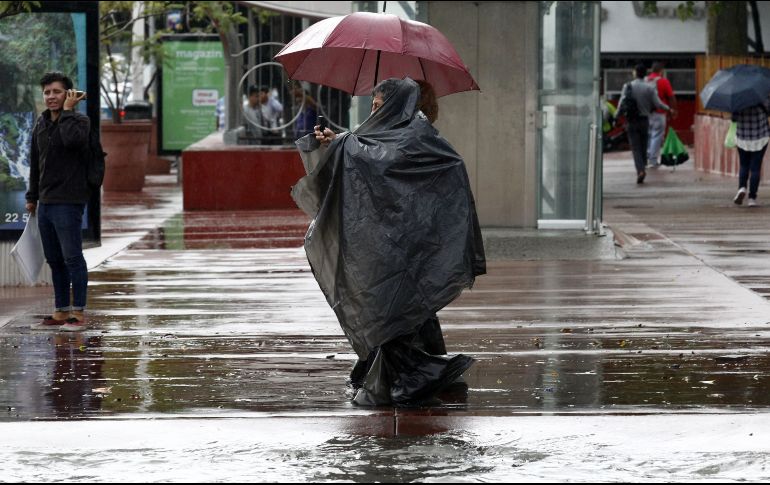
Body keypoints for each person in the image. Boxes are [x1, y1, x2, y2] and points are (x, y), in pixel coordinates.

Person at [292, 77, 485, 407]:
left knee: (391, 307)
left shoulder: (415, 133)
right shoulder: (389, 134)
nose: (374, 111)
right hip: (388, 241)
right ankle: (413, 365)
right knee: (398, 307)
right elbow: (372, 156)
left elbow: (384, 160)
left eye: (380, 106)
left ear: (397, 106)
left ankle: (420, 371)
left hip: (406, 243)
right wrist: (338, 142)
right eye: (372, 105)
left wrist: (342, 143)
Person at [25, 71, 90, 331]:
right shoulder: (41, 124)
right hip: (46, 202)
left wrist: (68, 112)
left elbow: (71, 141)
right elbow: (35, 164)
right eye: (47, 92)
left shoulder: (79, 121)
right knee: (54, 259)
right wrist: (32, 197)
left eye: (57, 92)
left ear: (68, 94)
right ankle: (61, 311)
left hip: (68, 201)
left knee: (72, 257)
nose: (51, 96)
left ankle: (78, 313)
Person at [617, 64, 671, 184]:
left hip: (631, 121)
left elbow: (621, 103)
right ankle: (644, 165)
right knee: (643, 145)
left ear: (635, 73)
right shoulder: (650, 88)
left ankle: (640, 170)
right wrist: (669, 109)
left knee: (635, 148)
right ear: (645, 73)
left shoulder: (628, 86)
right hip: (644, 120)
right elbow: (658, 104)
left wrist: (617, 115)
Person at [732, 97, 770, 207]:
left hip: (742, 137)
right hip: (760, 137)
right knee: (755, 168)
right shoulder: (763, 97)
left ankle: (742, 188)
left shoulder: (738, 99)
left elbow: (734, 119)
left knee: (744, 165)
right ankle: (752, 198)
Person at [645, 62, 678, 168]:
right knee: (657, 136)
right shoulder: (663, 81)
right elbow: (671, 97)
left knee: (648, 135)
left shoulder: (645, 81)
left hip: (646, 113)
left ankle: (646, 157)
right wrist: (673, 110)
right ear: (661, 71)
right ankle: (653, 160)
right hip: (659, 113)